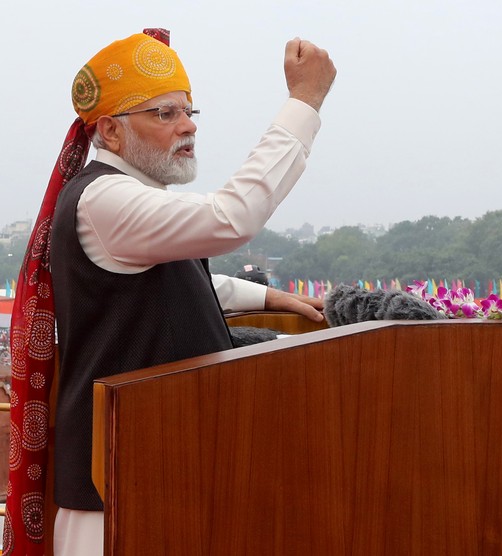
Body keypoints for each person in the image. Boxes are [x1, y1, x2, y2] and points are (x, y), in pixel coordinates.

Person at [5, 29, 335, 556]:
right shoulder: (105, 198)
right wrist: (304, 103)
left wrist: (269, 299)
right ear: (111, 132)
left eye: (189, 112)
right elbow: (235, 216)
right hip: (113, 498)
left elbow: (167, 283)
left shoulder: (124, 198)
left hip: (154, 476)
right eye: (165, 114)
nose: (187, 127)